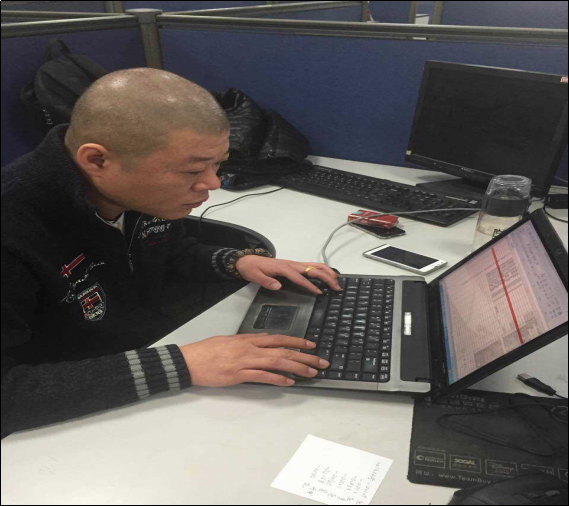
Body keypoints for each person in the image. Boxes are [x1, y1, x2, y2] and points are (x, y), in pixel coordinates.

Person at [1, 68, 340, 438]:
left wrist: (237, 261)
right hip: (64, 425)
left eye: (218, 164)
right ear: (97, 161)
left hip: (139, 366)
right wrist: (181, 364)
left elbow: (165, 252)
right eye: (192, 170)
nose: (213, 183)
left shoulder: (136, 192)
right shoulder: (14, 229)